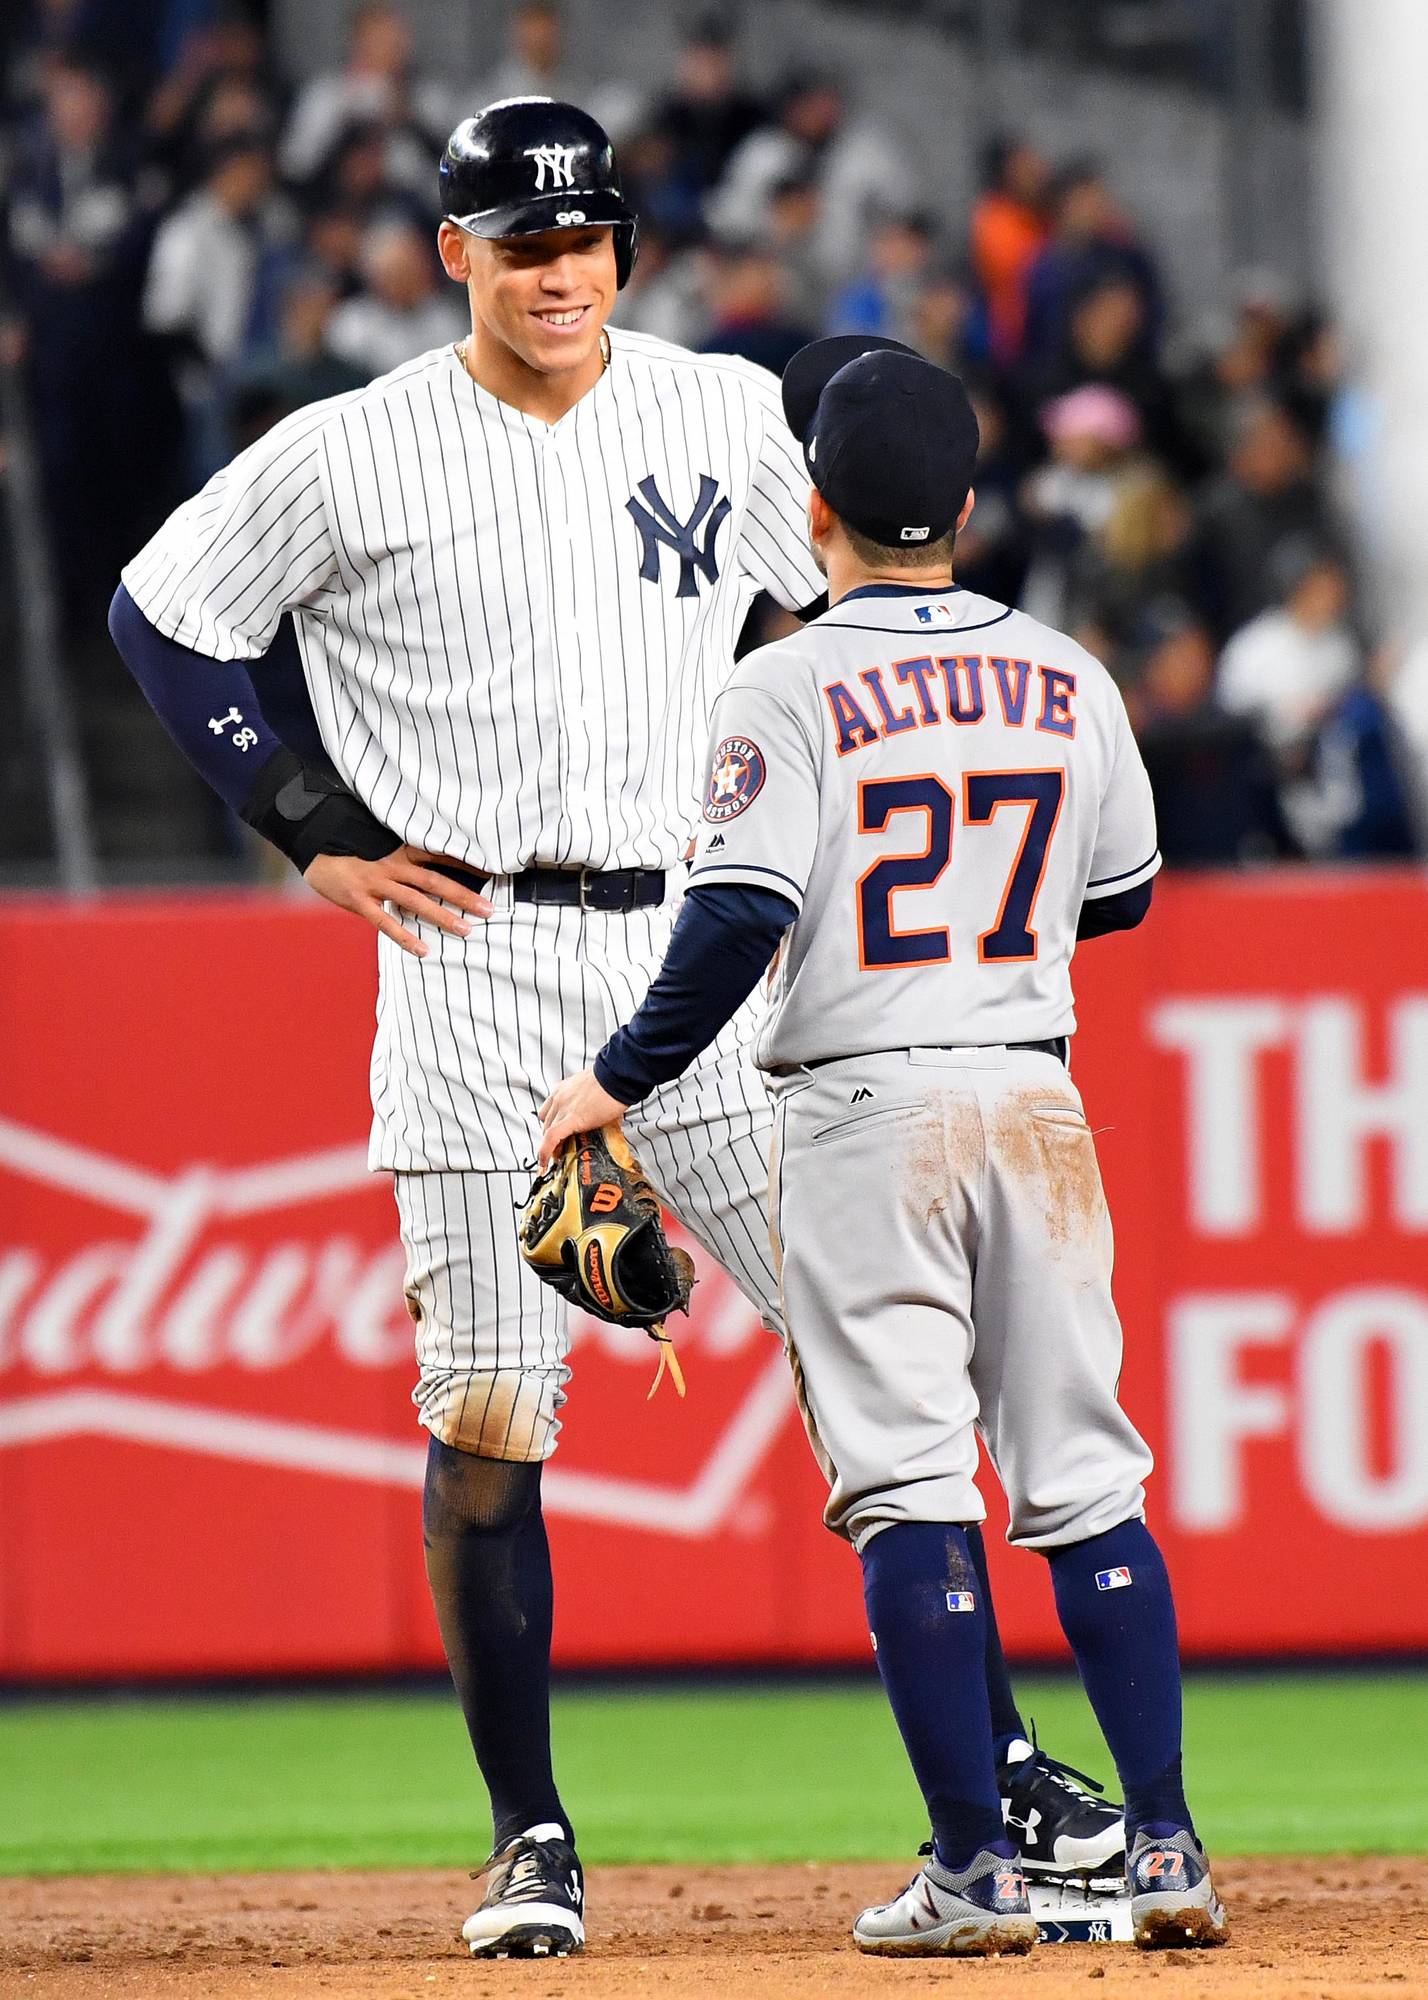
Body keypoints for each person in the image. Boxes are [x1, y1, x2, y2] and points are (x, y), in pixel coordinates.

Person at [109, 104, 1122, 1961]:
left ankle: (996, 1771)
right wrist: (312, 828)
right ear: (454, 255)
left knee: (869, 1373)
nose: (558, 268)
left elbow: (859, 563)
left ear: (626, 251)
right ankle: (532, 1833)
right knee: (489, 1417)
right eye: (518, 239)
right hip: (476, 963)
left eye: (585, 237)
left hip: (696, 963)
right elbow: (164, 616)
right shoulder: (350, 453)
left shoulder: (723, 412)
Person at [539, 335, 1228, 1956]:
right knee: (1086, 1475)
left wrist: (614, 1083)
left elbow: (729, 924)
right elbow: (1122, 890)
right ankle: (1169, 1848)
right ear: (971, 506)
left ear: (815, 508)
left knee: (912, 1485)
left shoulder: (783, 681)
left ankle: (978, 1871)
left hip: (862, 1105)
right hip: (1033, 1095)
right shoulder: (1068, 670)